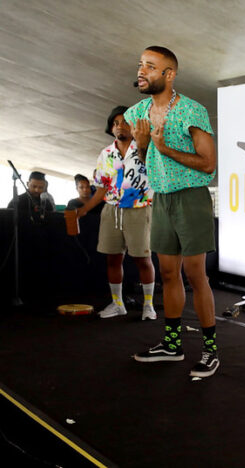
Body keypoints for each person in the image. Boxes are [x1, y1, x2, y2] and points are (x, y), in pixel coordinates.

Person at [124, 46, 219, 378]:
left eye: (150, 66)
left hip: (191, 197)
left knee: (195, 275)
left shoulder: (191, 110)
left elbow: (208, 164)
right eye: (141, 65)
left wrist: (164, 147)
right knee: (167, 274)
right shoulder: (138, 113)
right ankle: (172, 345)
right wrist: (143, 145)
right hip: (161, 198)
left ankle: (210, 351)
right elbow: (144, 158)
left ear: (169, 74)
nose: (142, 71)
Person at [76, 105, 156, 321]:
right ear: (111, 128)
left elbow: (159, 177)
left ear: (134, 126)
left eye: (125, 122)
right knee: (113, 259)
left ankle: (148, 305)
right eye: (116, 123)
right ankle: (118, 304)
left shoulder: (146, 148)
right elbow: (101, 188)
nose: (120, 126)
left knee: (143, 259)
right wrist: (84, 209)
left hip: (139, 208)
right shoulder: (106, 154)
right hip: (111, 210)